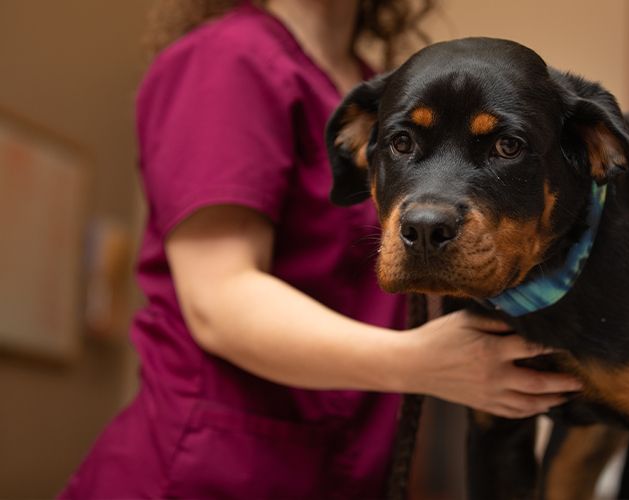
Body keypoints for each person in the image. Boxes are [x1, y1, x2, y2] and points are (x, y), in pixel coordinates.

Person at [61, 0, 583, 497]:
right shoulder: (225, 60)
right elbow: (217, 299)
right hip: (209, 473)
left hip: (337, 469)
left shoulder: (383, 91)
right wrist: (421, 363)